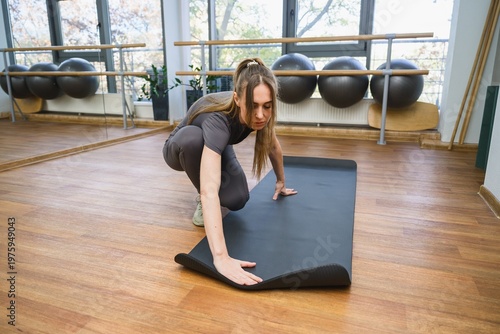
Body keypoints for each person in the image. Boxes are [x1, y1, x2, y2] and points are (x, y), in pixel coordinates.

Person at [163, 57, 297, 285]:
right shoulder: (219, 120)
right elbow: (209, 191)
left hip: (216, 143)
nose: (261, 114)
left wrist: (280, 181)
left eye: (267, 106)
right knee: (193, 140)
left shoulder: (259, 113)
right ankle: (201, 207)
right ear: (237, 99)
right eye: (253, 106)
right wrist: (221, 258)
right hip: (180, 145)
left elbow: (272, 145)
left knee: (238, 199)